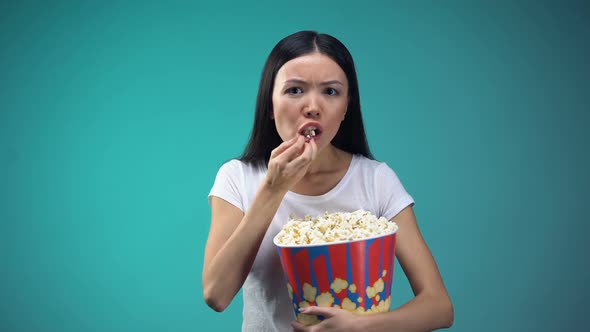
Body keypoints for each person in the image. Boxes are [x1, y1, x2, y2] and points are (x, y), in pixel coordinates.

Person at [203, 30, 454, 332]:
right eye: (295, 90)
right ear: (269, 104)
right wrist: (274, 187)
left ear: (347, 107)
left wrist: (363, 327)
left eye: (331, 92)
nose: (312, 106)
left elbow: (439, 306)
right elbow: (216, 294)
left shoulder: (375, 180)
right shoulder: (237, 177)